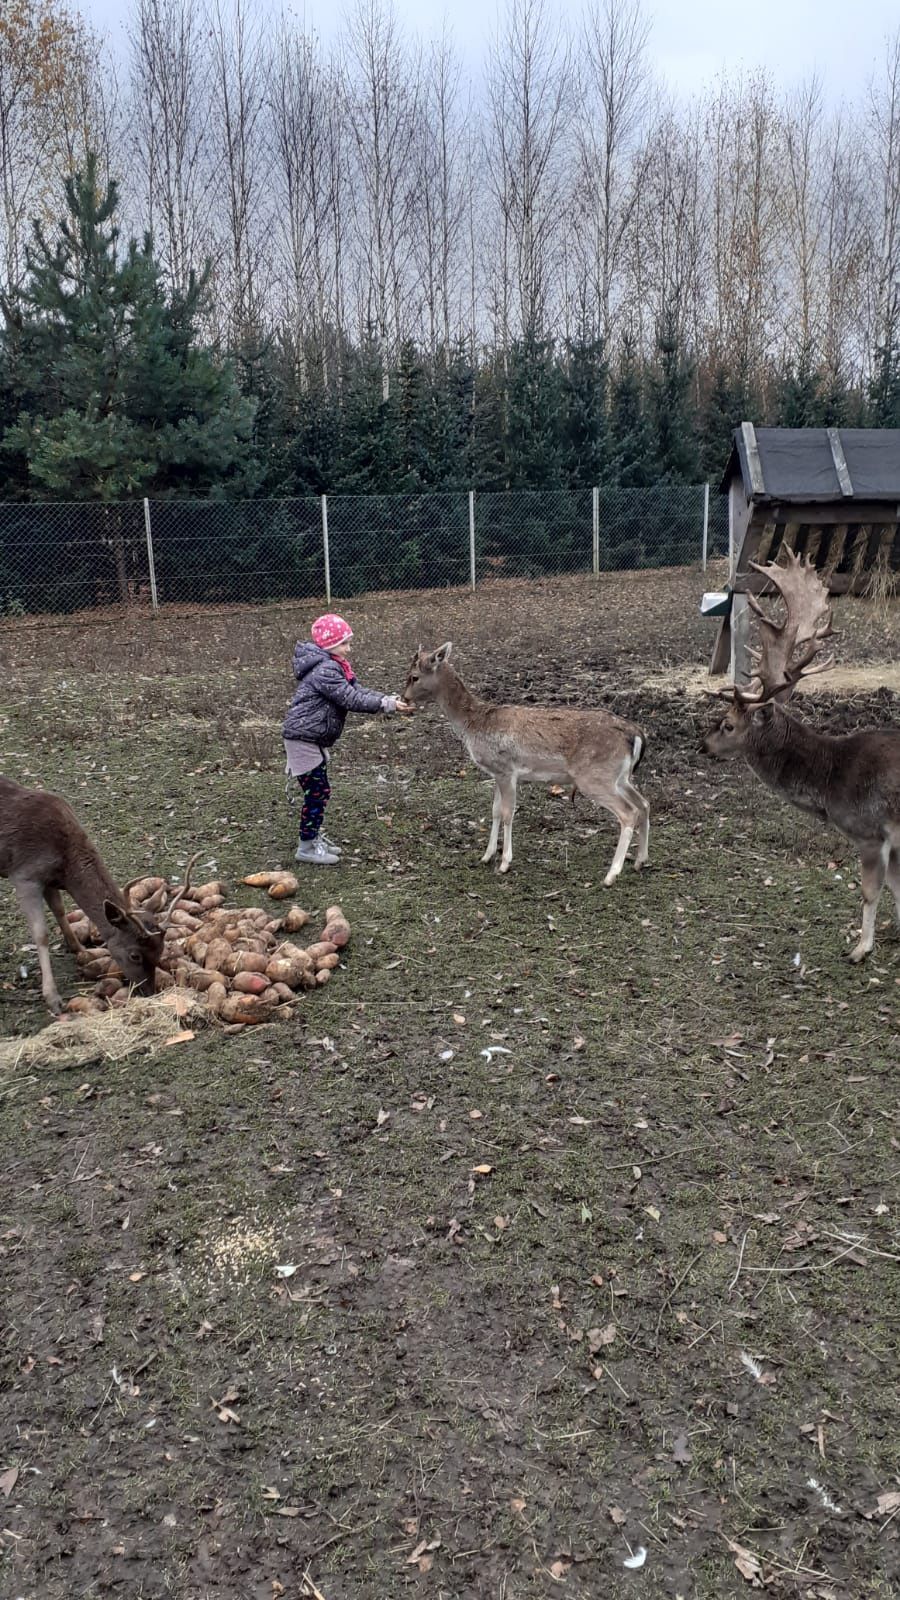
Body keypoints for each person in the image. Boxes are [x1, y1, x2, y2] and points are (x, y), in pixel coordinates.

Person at [283, 613, 410, 865]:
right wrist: (386, 705)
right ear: (329, 645)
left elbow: (358, 691)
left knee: (319, 791)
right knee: (317, 792)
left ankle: (313, 837)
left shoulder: (334, 666)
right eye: (344, 644)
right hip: (302, 738)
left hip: (310, 737)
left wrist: (388, 700)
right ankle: (306, 847)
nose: (348, 649)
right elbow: (351, 699)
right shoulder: (326, 670)